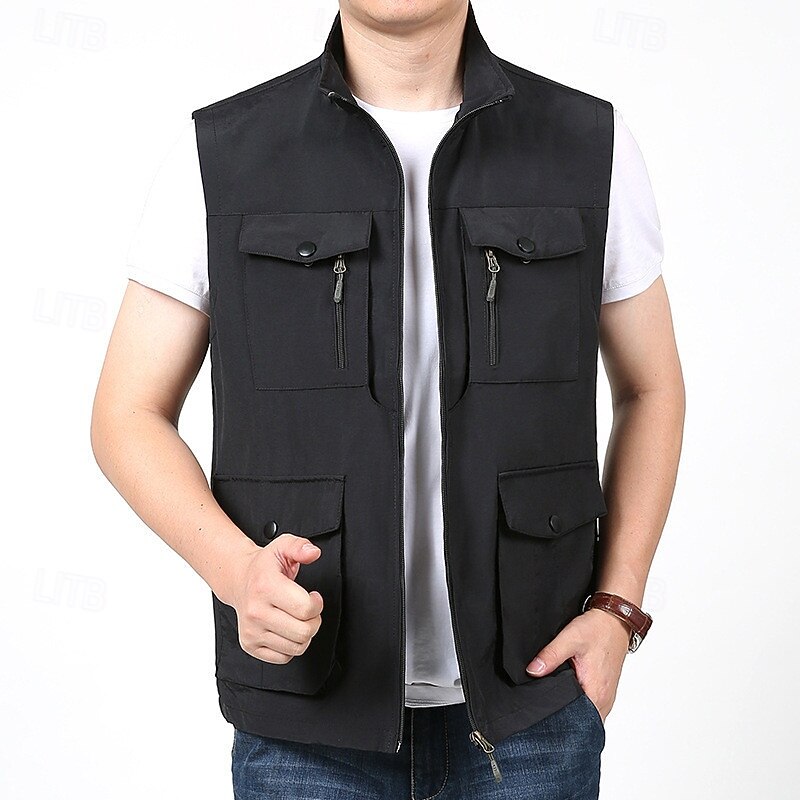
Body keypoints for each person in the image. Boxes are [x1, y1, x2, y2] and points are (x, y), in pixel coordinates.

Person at [91, 1, 685, 797]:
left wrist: (617, 609)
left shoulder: (587, 144)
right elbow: (125, 413)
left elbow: (652, 387)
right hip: (307, 727)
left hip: (535, 711)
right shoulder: (222, 154)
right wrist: (236, 573)